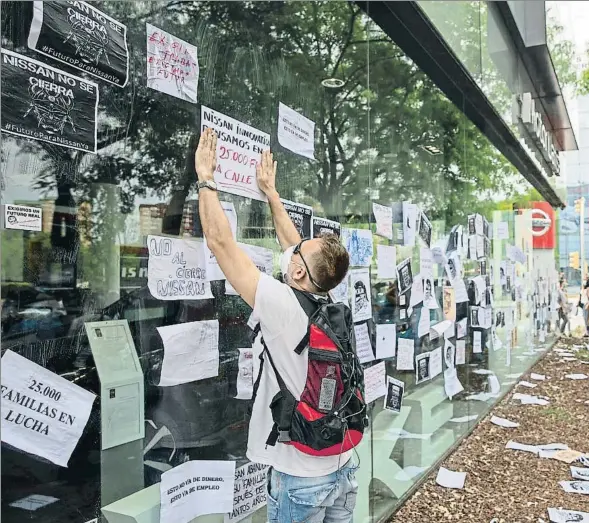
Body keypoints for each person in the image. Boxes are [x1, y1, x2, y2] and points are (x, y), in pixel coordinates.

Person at [194, 129, 358, 523]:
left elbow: (220, 243)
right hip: (343, 464)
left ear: (298, 270)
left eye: (298, 253)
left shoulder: (280, 304)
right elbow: (295, 246)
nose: (293, 248)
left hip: (300, 476)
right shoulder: (330, 302)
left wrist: (205, 177)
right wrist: (270, 194)